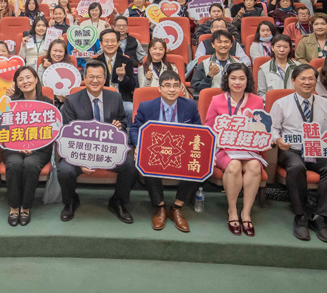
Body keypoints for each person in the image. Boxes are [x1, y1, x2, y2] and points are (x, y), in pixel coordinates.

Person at [270, 64, 327, 243]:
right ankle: (301, 215)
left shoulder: (326, 105)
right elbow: (272, 129)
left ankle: (321, 218)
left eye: (311, 79)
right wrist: (278, 140)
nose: (307, 82)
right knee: (296, 167)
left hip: (317, 150)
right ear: (294, 81)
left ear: (316, 81)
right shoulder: (281, 103)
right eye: (302, 79)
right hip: (291, 150)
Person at [57, 60, 137, 223]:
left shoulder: (115, 97)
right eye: (91, 77)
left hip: (109, 152)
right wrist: (79, 161)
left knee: (130, 164)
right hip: (79, 151)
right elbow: (66, 135)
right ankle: (71, 200)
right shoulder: (72, 101)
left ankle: (118, 201)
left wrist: (118, 127)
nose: (95, 80)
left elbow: (122, 122)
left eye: (99, 77)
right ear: (84, 78)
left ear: (105, 78)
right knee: (65, 170)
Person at [130, 70, 200, 232]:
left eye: (176, 86)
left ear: (180, 88)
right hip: (156, 152)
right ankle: (160, 206)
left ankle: (177, 207)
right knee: (146, 160)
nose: (172, 89)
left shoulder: (189, 106)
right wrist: (139, 145)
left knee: (197, 164)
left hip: (181, 154)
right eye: (167, 86)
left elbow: (199, 131)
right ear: (159, 89)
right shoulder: (147, 107)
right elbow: (135, 129)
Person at [205, 63, 266, 236]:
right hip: (225, 149)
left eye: (241, 78)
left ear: (248, 80)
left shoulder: (257, 101)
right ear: (227, 80)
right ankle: (232, 211)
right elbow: (209, 129)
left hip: (249, 148)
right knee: (234, 166)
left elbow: (262, 128)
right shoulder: (217, 100)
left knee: (255, 166)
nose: (237, 82)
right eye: (233, 78)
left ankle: (246, 212)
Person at [1, 66, 54, 226]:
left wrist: (33, 145)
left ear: (36, 79)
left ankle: (26, 207)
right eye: (21, 79)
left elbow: (51, 131)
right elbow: (2, 128)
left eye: (28, 77)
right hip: (12, 146)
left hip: (40, 148)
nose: (26, 82)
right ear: (16, 84)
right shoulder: (10, 102)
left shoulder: (47, 103)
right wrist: (18, 145)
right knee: (15, 163)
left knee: (30, 164)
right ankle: (14, 206)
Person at [94, 29, 136, 114]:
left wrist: (122, 78)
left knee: (130, 109)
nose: (110, 44)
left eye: (113, 41)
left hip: (121, 100)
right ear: (101, 44)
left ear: (118, 43)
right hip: (100, 99)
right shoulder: (95, 62)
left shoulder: (127, 61)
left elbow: (131, 87)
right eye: (106, 41)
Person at [257, 34, 297, 101]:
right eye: (278, 46)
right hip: (273, 106)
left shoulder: (298, 67)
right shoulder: (263, 69)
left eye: (285, 47)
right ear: (272, 48)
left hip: (295, 105)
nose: (281, 50)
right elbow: (261, 93)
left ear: (290, 49)